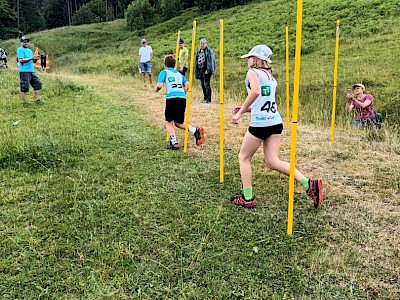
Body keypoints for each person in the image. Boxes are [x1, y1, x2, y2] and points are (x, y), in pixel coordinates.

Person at [230, 45, 323, 209]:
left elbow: (255, 92)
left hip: (260, 123)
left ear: (256, 58)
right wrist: (245, 109)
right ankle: (308, 184)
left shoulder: (252, 72)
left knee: (243, 158)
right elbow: (264, 100)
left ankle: (248, 198)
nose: (248, 60)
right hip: (275, 122)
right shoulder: (270, 76)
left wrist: (239, 114)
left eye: (250, 57)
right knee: (272, 161)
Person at [156, 55, 205, 150]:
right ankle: (195, 131)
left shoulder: (164, 72)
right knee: (178, 122)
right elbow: (187, 84)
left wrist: (155, 90)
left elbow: (159, 85)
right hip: (182, 97)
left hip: (172, 98)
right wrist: (183, 91)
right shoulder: (179, 74)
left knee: (168, 121)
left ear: (164, 64)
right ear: (174, 65)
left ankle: (174, 142)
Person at [17, 36, 43, 106]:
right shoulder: (20, 50)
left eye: (27, 41)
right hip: (24, 71)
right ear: (21, 42)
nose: (26, 43)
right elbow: (21, 60)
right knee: (24, 87)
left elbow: (33, 61)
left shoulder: (30, 50)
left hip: (31, 71)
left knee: (37, 84)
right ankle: (24, 102)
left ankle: (37, 99)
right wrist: (32, 58)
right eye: (24, 42)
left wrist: (36, 58)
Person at [194, 38, 216, 104]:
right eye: (201, 43)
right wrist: (197, 71)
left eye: (204, 43)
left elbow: (211, 61)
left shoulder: (209, 51)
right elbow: (196, 62)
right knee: (202, 85)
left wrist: (209, 70)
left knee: (207, 85)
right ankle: (205, 98)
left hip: (206, 70)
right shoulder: (198, 52)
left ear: (206, 44)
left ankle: (208, 100)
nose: (202, 45)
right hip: (200, 70)